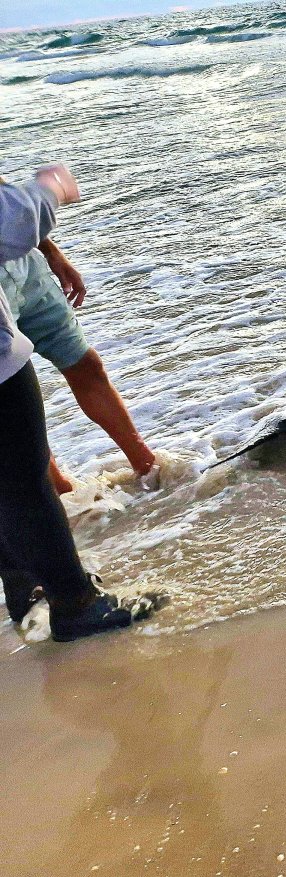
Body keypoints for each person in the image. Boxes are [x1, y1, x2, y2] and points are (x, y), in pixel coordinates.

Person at [0, 165, 153, 641]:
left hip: (16, 269)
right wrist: (53, 184)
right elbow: (13, 216)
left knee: (11, 476)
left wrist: (48, 248)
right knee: (22, 479)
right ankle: (75, 604)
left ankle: (27, 587)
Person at [0, 186, 156, 493]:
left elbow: (7, 202)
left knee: (86, 364)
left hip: (26, 269)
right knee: (17, 396)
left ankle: (149, 470)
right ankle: (61, 496)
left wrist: (51, 251)